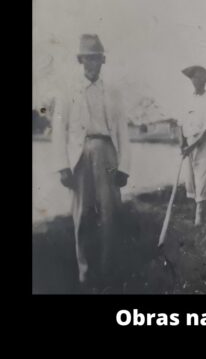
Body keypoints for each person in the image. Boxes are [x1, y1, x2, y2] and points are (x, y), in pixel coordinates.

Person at [52, 34, 131, 287]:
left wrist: (124, 167)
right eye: (87, 58)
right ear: (80, 60)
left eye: (96, 58)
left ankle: (109, 273)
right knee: (82, 217)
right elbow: (58, 130)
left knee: (110, 214)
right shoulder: (68, 91)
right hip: (79, 155)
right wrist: (63, 166)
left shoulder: (113, 92)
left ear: (102, 61)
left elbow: (122, 130)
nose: (91, 64)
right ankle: (86, 275)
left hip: (107, 151)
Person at [180, 65, 206, 226]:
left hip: (204, 146)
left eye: (200, 79)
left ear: (205, 81)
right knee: (190, 183)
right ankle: (195, 222)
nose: (197, 81)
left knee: (202, 183)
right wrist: (182, 143)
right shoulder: (188, 100)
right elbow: (180, 124)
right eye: (194, 78)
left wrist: (192, 146)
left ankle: (200, 222)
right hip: (189, 145)